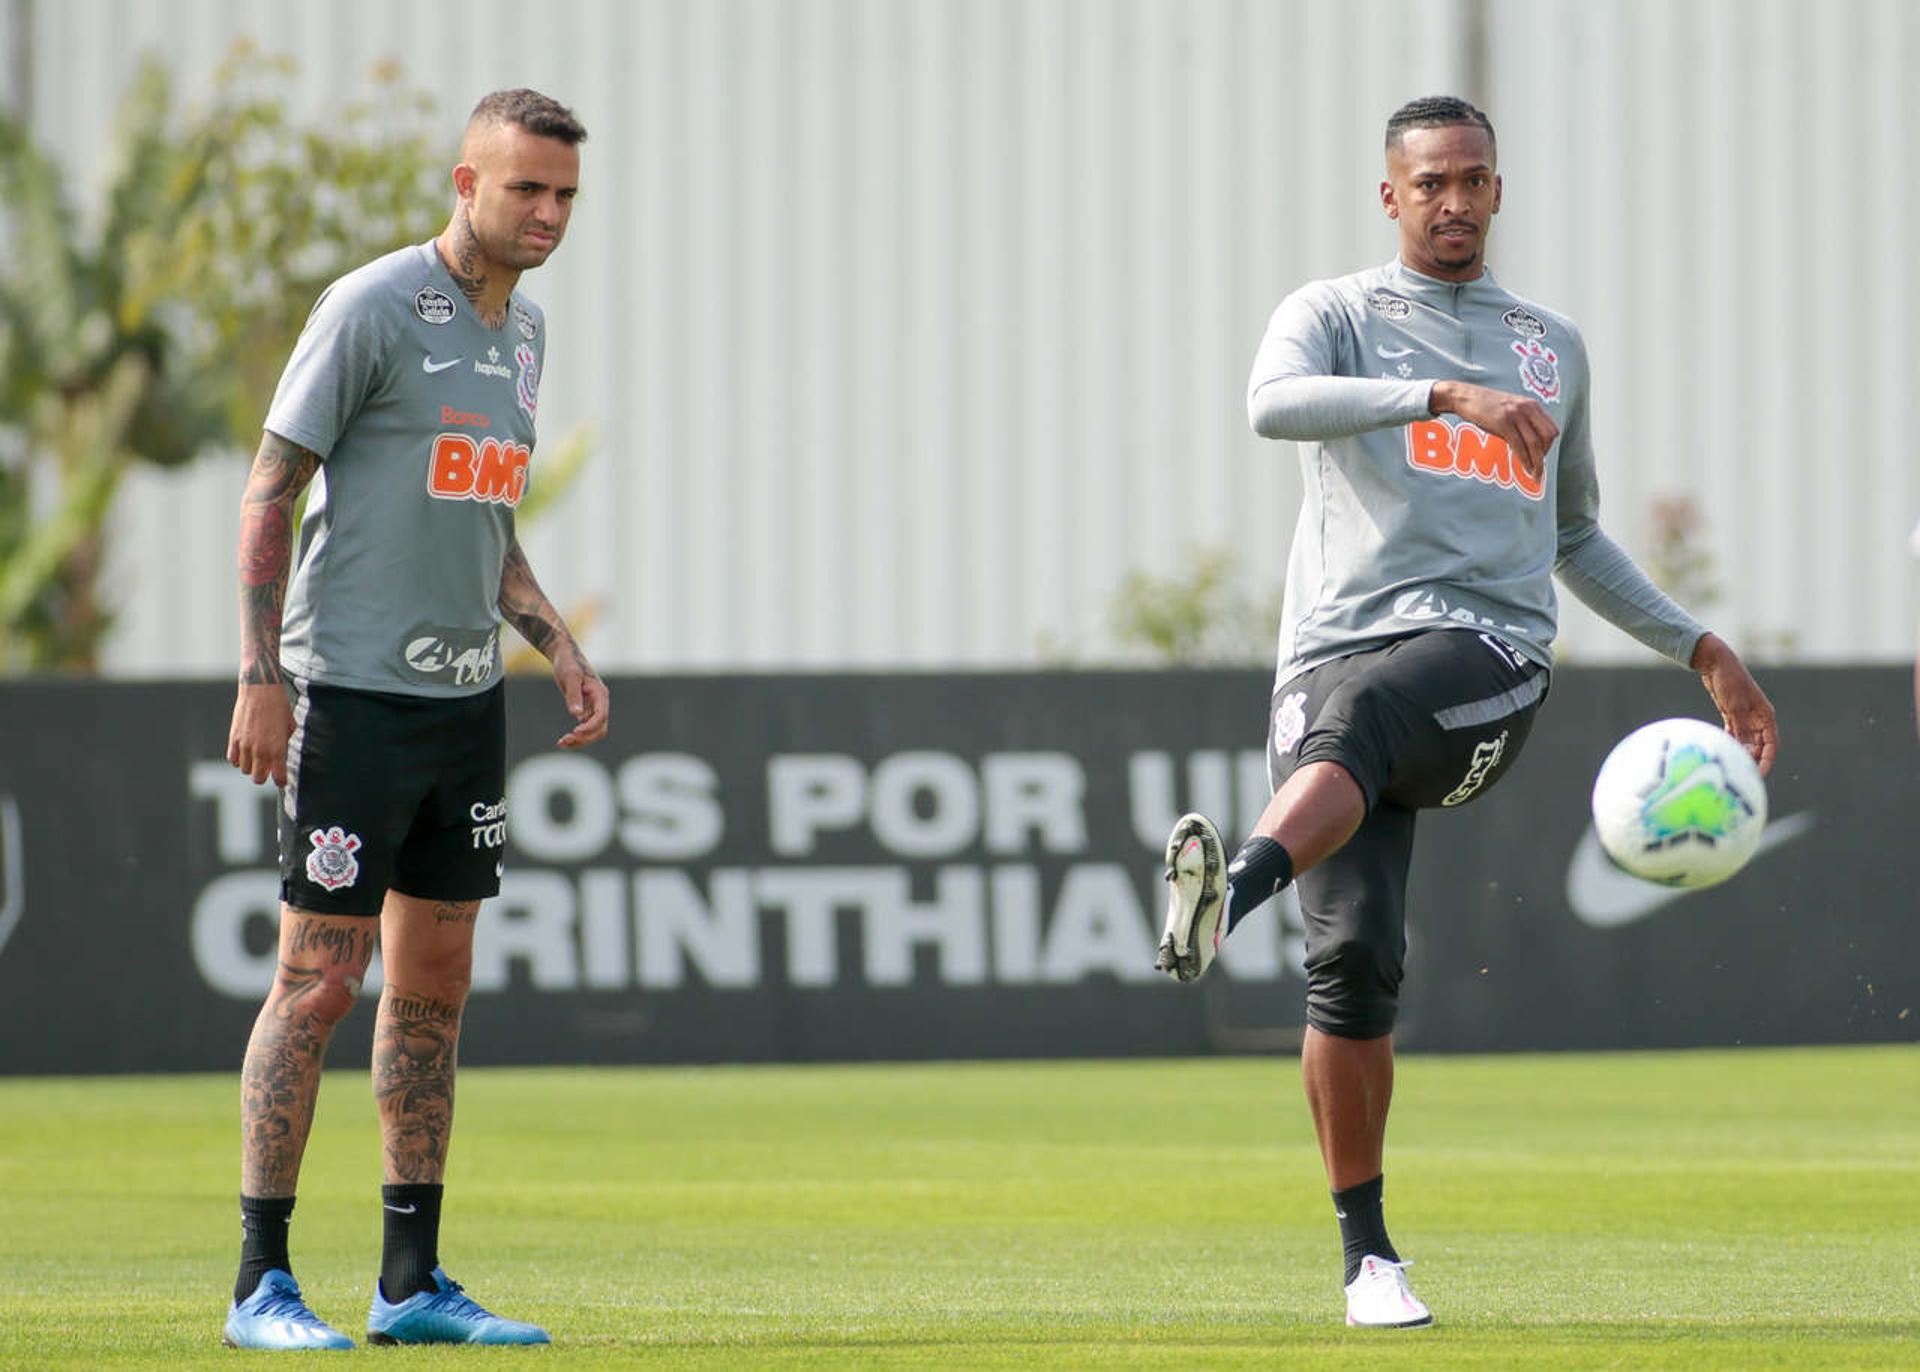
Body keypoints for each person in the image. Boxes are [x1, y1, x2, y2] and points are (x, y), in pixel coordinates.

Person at [1154, 95, 1778, 1330]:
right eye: (1430, 182)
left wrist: (1704, 649)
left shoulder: (1549, 346)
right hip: (1321, 665)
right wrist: (1441, 397)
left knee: (1379, 717)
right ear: (1391, 195)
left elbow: (1577, 533)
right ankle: (1368, 1264)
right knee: (1352, 968)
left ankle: (1233, 890)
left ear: (1500, 190)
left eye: (1474, 180)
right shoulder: (1332, 312)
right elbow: (1270, 404)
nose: (1454, 202)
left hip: (1486, 655)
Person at [220, 88, 608, 1350]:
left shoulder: (525, 332)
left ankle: (410, 1284)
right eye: (525, 190)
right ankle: (260, 1287)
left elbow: (485, 529)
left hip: (463, 707)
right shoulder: (371, 306)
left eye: (563, 196)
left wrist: (556, 645)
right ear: (465, 182)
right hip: (351, 700)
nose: (546, 214)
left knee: (433, 993)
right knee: (320, 982)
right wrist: (259, 671)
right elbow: (271, 490)